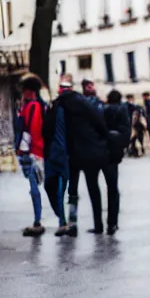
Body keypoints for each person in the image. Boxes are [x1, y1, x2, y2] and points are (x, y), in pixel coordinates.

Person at [51, 74, 109, 236]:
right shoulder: (82, 102)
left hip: (72, 153)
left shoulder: (58, 105)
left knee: (72, 190)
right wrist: (102, 140)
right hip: (90, 150)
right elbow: (99, 122)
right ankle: (98, 224)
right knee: (93, 188)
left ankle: (72, 222)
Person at [83, 89, 130, 235]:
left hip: (96, 152)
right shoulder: (123, 111)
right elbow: (127, 133)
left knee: (94, 188)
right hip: (112, 155)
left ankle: (98, 224)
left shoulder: (99, 110)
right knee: (113, 189)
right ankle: (112, 223)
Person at [16, 73, 46, 237]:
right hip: (32, 151)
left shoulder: (33, 106)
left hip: (32, 152)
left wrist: (31, 152)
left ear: (29, 91)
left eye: (23, 90)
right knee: (34, 187)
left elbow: (32, 130)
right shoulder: (33, 105)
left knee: (34, 188)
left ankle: (37, 221)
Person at [43, 81, 72, 236]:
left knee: (59, 187)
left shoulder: (61, 108)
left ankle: (62, 220)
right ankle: (62, 218)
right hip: (55, 152)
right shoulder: (54, 108)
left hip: (60, 152)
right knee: (54, 186)